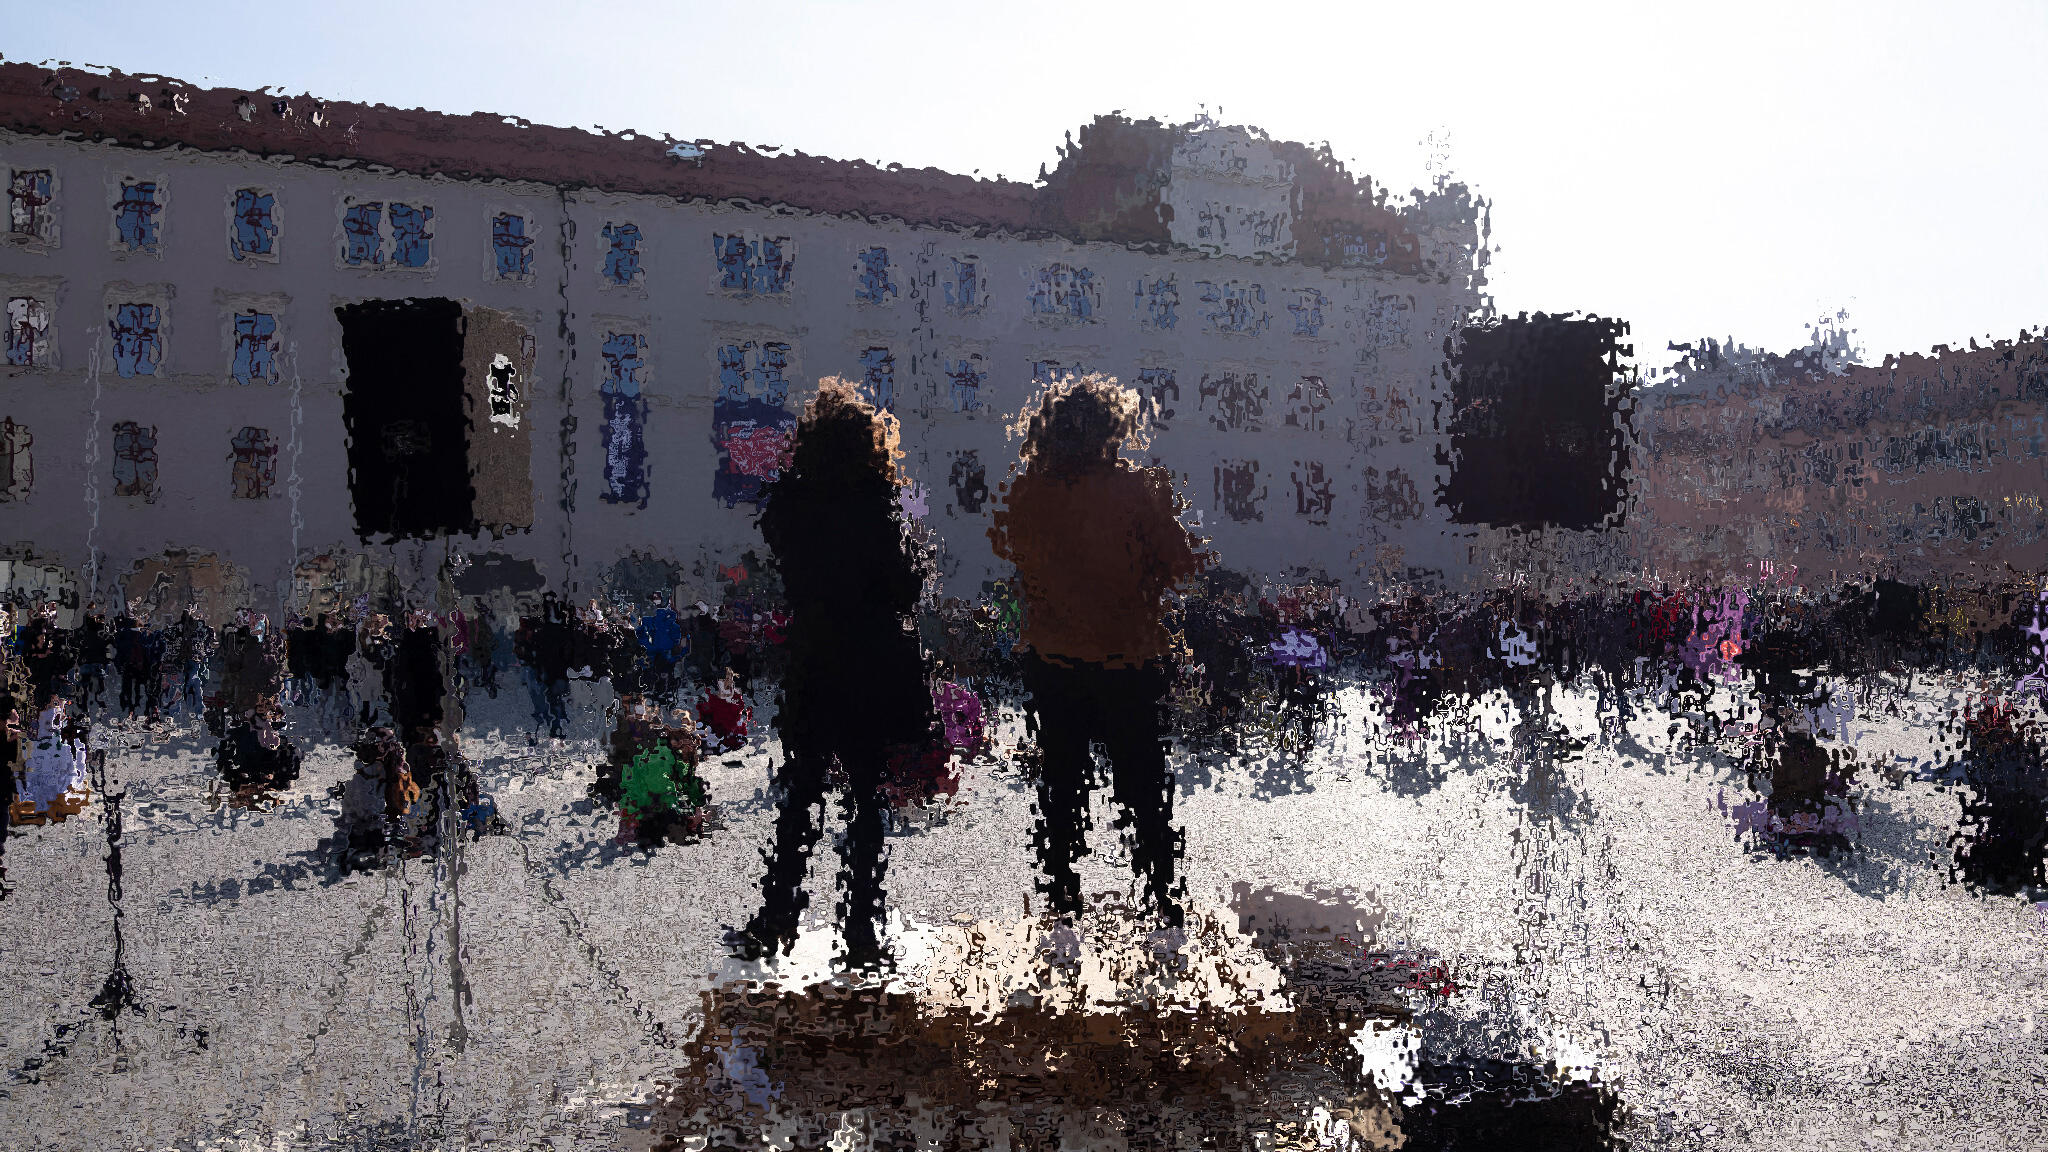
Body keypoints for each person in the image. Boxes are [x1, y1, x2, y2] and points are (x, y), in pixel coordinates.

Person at [730, 378, 939, 969]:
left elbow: (786, 567)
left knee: (801, 793)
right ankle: (861, 931)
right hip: (869, 662)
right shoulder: (879, 501)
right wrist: (916, 556)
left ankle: (775, 918)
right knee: (866, 798)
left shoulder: (789, 503)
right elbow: (904, 586)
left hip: (814, 659)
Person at [990, 374, 1207, 929]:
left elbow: (1014, 556)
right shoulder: (1137, 489)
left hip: (1055, 657)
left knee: (1061, 778)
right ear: (1113, 426)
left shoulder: (1030, 491)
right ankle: (1160, 893)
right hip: (1127, 657)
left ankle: (1061, 890)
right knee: (1143, 779)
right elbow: (1182, 566)